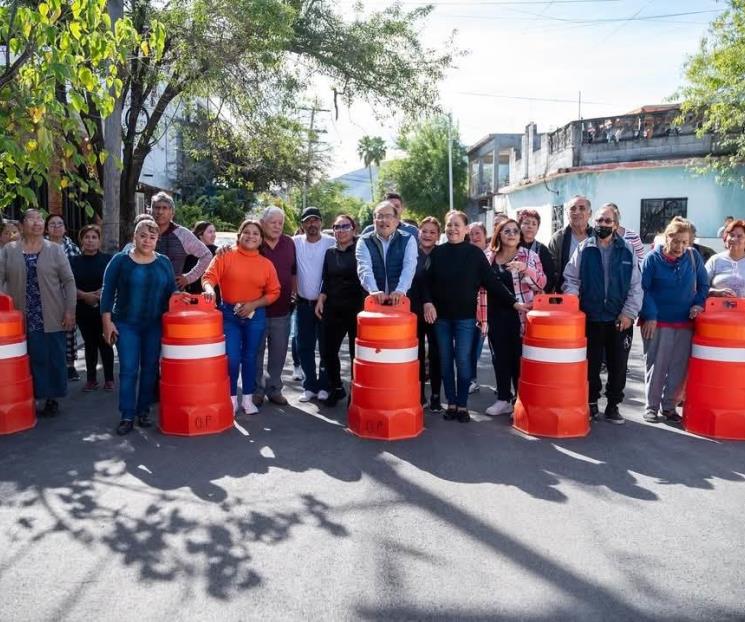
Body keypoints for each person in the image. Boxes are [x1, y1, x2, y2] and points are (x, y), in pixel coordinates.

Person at [423, 210, 528, 423]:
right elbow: (424, 282)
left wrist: (514, 303)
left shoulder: (475, 254)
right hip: (441, 319)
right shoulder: (437, 253)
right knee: (445, 362)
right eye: (449, 225)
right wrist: (427, 302)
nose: (452, 229)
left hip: (465, 320)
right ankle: (450, 403)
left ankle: (462, 405)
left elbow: (492, 283)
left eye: (457, 225)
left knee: (463, 361)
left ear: (465, 229)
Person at [563, 204, 643, 424]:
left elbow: (636, 286)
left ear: (616, 225)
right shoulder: (584, 248)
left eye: (608, 221)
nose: (603, 225)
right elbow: (571, 279)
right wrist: (574, 304)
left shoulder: (627, 250)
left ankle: (613, 405)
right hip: (591, 318)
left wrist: (628, 313)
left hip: (619, 320)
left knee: (618, 367)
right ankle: (590, 403)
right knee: (591, 365)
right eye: (599, 221)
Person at [101, 219, 176, 435]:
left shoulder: (164, 262)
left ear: (157, 240)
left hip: (154, 324)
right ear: (134, 236)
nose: (147, 240)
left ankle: (143, 411)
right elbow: (107, 292)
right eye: (143, 235)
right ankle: (127, 415)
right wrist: (107, 322)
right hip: (126, 324)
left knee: (151, 369)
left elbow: (172, 290)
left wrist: (182, 298)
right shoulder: (120, 261)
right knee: (129, 369)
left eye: (152, 237)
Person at [0, 209, 76, 417]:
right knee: (28, 356)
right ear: (22, 225)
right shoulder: (9, 250)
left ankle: (51, 398)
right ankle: (28, 396)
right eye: (31, 219)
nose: (37, 222)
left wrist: (70, 310)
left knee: (53, 356)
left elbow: (68, 281)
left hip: (51, 312)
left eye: (40, 219)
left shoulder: (54, 249)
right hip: (21, 314)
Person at [202, 219, 280, 415]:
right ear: (239, 235)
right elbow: (208, 277)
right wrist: (209, 289)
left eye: (255, 233)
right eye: (247, 232)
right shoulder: (225, 255)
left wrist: (253, 304)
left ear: (261, 239)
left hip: (256, 315)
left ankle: (247, 399)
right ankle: (231, 400)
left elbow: (274, 292)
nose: (251, 236)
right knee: (232, 358)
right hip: (229, 314)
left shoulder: (266, 264)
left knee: (250, 358)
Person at [639, 217, 708, 423]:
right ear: (667, 238)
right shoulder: (652, 258)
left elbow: (704, 286)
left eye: (684, 242)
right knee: (657, 365)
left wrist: (698, 304)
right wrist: (649, 315)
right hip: (657, 321)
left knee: (678, 367)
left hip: (685, 321)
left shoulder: (693, 256)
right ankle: (651, 407)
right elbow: (643, 289)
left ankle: (668, 406)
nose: (680, 246)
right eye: (676, 241)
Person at [485, 218, 546, 416]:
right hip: (495, 315)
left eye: (515, 231)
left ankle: (521, 400)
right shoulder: (490, 257)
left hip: (520, 314)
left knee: (519, 359)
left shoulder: (530, 256)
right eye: (507, 231)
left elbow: (541, 284)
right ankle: (503, 398)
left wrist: (525, 269)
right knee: (499, 358)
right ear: (499, 235)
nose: (511, 234)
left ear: (520, 236)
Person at [315, 214, 366, 407]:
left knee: (356, 354)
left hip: (357, 309)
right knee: (327, 351)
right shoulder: (330, 252)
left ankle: (356, 390)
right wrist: (321, 297)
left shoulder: (362, 249)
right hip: (333, 308)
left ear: (354, 229)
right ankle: (337, 387)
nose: (341, 230)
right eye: (337, 227)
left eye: (345, 226)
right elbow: (326, 279)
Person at [254, 206, 297, 407]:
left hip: (282, 310)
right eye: (273, 222)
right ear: (263, 223)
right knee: (256, 353)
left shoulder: (289, 243)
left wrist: (294, 294)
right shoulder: (255, 242)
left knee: (279, 353)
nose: (277, 226)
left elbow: (294, 271)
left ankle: (275, 389)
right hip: (257, 310)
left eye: (280, 223)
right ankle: (256, 391)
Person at [293, 207, 335, 402]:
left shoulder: (331, 242)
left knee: (326, 346)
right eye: (307, 221)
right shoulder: (294, 243)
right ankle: (309, 386)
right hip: (302, 305)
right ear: (302, 225)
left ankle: (325, 385)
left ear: (321, 223)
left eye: (315, 220)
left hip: (325, 305)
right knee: (304, 347)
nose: (312, 224)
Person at [69, 225, 115, 392]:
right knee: (89, 344)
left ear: (99, 241)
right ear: (81, 240)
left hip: (104, 308)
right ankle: (91, 379)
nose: (90, 240)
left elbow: (113, 282)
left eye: (94, 237)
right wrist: (84, 295)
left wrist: (100, 294)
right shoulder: (73, 261)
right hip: (82, 307)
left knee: (106, 342)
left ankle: (109, 379)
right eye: (87, 237)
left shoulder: (108, 259)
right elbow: (68, 284)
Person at [407, 216, 442, 412]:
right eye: (424, 231)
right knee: (417, 354)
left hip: (437, 312)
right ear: (418, 232)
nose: (428, 235)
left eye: (432, 232)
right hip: (415, 310)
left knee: (437, 353)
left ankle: (436, 395)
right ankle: (419, 394)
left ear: (438, 235)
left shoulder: (442, 254)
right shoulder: (411, 254)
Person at [356, 200, 418, 306]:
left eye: (388, 216)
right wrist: (374, 291)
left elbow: (409, 267)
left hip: (400, 302)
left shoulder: (408, 239)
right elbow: (364, 268)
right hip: (374, 302)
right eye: (379, 216)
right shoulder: (364, 241)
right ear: (374, 220)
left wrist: (400, 290)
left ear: (397, 220)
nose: (383, 220)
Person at [45, 213, 81, 381]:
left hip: (67, 295)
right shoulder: (41, 246)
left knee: (69, 330)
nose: (56, 227)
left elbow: (76, 273)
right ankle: (52, 366)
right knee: (49, 332)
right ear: (46, 228)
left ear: (65, 228)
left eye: (60, 223)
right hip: (47, 294)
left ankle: (70, 365)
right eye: (52, 224)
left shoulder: (72, 247)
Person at [150, 191, 212, 289]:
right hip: (145, 290)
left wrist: (188, 278)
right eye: (157, 207)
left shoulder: (182, 234)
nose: (160, 212)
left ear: (172, 212)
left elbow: (206, 255)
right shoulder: (144, 232)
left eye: (164, 208)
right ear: (151, 210)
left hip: (172, 293)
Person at [548, 195, 593, 291]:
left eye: (582, 208)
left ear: (590, 214)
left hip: (594, 296)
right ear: (567, 213)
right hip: (566, 295)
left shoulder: (597, 237)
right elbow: (551, 271)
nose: (577, 212)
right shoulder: (558, 239)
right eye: (573, 209)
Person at [467, 221, 488, 394]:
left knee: (477, 347)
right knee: (466, 347)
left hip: (485, 311)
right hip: (466, 309)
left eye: (477, 233)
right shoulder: (465, 254)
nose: (474, 237)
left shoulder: (490, 256)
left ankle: (471, 379)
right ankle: (470, 379)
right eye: (471, 234)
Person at [518, 209, 556, 293]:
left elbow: (550, 275)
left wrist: (544, 290)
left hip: (536, 297)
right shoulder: (513, 246)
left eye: (534, 224)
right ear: (519, 225)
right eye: (526, 223)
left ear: (538, 228)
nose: (530, 226)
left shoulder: (542, 249)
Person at [706, 219, 745, 297]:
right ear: (726, 238)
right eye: (731, 235)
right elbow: (700, 287)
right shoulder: (715, 260)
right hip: (718, 307)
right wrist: (715, 292)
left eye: (740, 236)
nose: (734, 239)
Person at [184, 221, 218, 295]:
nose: (214, 235)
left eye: (214, 232)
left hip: (211, 296)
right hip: (190, 296)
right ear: (200, 235)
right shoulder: (188, 252)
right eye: (210, 232)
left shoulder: (217, 251)